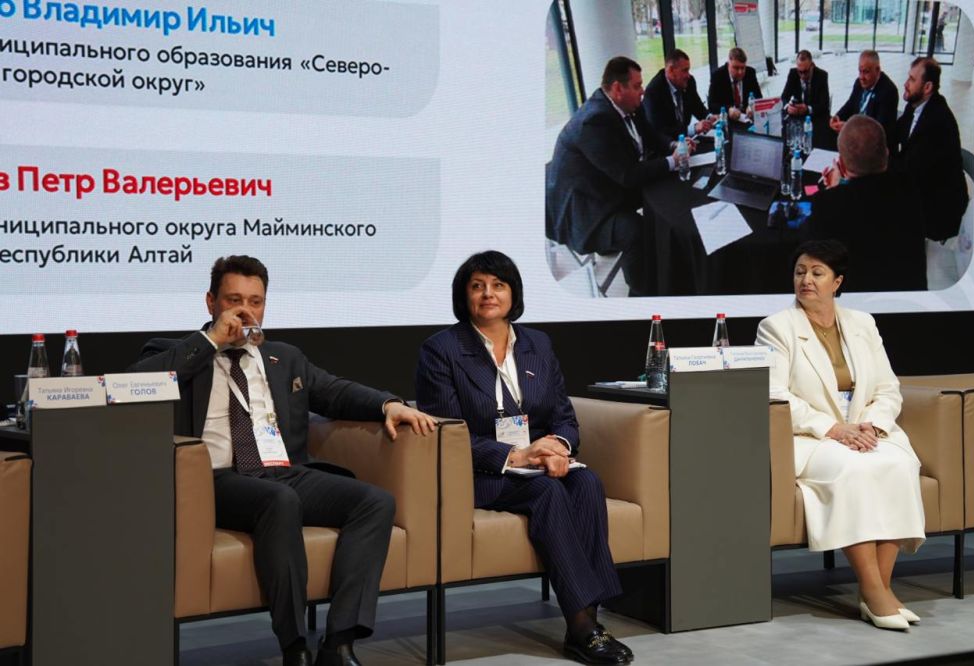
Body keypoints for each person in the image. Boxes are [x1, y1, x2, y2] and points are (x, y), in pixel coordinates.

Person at [130, 255, 437, 666]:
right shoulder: (178, 353)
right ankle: (294, 646)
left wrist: (388, 404)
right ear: (211, 302)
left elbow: (335, 391)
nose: (245, 311)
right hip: (216, 478)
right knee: (280, 501)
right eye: (234, 300)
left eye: (255, 302)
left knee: (375, 502)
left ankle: (339, 643)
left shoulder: (283, 357)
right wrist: (211, 341)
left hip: (282, 471)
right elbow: (137, 384)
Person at [415, 251, 632, 664]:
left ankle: (589, 618)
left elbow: (564, 416)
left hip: (536, 463)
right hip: (479, 471)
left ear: (513, 294)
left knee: (587, 482)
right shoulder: (441, 350)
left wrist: (559, 448)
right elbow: (449, 434)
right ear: (464, 296)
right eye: (477, 286)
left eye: (498, 285)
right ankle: (583, 628)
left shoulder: (537, 344)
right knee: (547, 493)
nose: (488, 294)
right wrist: (517, 454)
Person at [756, 240, 925, 631]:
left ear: (837, 282)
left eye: (817, 273)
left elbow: (888, 387)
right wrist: (834, 428)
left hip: (866, 431)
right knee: (854, 470)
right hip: (811, 436)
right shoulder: (777, 327)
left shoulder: (862, 324)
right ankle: (875, 590)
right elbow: (774, 394)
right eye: (800, 272)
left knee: (899, 465)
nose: (806, 280)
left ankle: (878, 589)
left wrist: (873, 425)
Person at [546, 56, 684, 297]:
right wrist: (673, 162)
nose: (643, 91)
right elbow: (627, 175)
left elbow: (651, 136)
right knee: (636, 231)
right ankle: (641, 295)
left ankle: (665, 262)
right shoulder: (594, 121)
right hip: (585, 208)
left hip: (606, 186)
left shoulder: (629, 105)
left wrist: (673, 146)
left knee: (663, 194)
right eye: (637, 86)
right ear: (618, 89)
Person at [806, 115, 926, 292]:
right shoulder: (911, 190)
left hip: (855, 303)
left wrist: (834, 191)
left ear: (842, 166)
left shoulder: (827, 205)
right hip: (911, 299)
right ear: (886, 153)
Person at [895, 56, 969, 242]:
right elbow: (893, 133)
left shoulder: (938, 121)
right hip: (922, 189)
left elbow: (912, 171)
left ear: (927, 87)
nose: (905, 84)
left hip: (939, 210)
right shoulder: (914, 106)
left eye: (912, 79)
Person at [642, 48, 717, 148]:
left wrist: (709, 117)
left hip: (688, 142)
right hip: (667, 147)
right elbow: (659, 131)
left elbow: (697, 105)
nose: (688, 75)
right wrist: (693, 129)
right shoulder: (654, 92)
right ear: (670, 70)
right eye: (685, 70)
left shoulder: (689, 82)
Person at [830, 50, 898, 151]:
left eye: (866, 72)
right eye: (860, 71)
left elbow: (878, 129)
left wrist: (849, 128)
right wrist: (837, 117)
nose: (861, 77)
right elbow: (850, 104)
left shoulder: (888, 92)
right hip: (856, 140)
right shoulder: (859, 83)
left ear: (877, 70)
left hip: (874, 148)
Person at [707, 47, 763, 120]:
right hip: (728, 119)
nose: (740, 72)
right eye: (736, 68)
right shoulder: (718, 76)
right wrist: (728, 109)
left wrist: (751, 107)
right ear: (728, 65)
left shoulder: (750, 73)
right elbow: (711, 105)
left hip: (747, 117)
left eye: (743, 68)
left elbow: (759, 97)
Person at [781, 50, 831, 121]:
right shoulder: (793, 74)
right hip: (798, 116)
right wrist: (787, 107)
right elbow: (784, 96)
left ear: (812, 66)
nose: (802, 76)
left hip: (816, 117)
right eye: (800, 72)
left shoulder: (821, 76)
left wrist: (807, 109)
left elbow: (824, 104)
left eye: (805, 72)